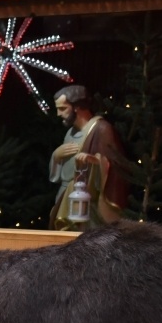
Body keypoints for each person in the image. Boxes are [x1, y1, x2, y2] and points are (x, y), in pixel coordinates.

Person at [49, 84, 132, 229]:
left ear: (77, 107)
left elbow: (116, 167)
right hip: (64, 197)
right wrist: (56, 156)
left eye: (62, 109)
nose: (58, 114)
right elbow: (58, 175)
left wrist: (94, 161)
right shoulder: (70, 133)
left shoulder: (101, 129)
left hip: (86, 203)